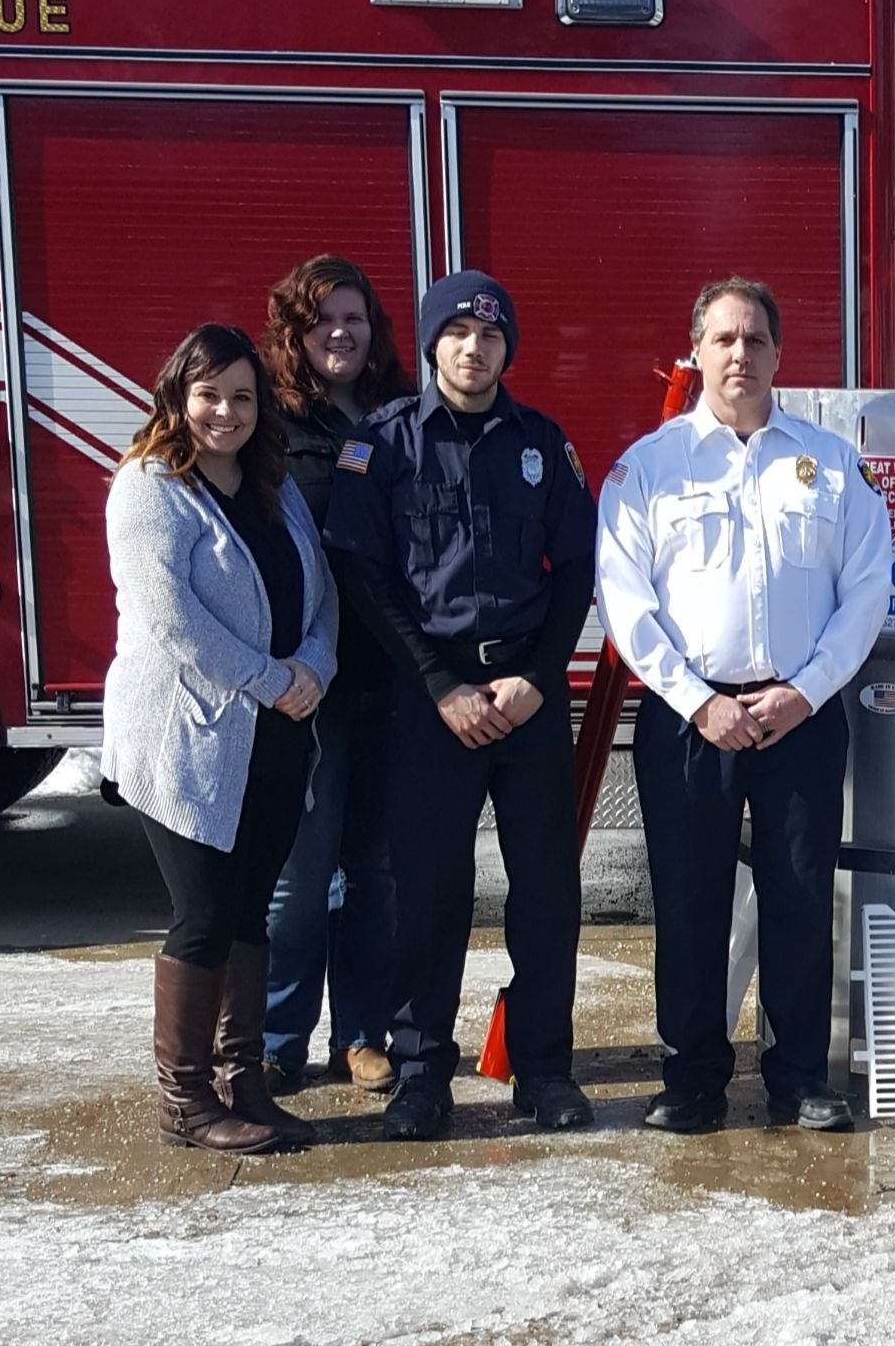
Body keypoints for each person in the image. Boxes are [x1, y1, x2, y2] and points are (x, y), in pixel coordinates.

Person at [596, 277, 890, 1135]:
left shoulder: (829, 463)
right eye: (722, 339)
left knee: (801, 898)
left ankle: (799, 1076)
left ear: (778, 355)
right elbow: (623, 600)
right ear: (696, 353)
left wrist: (805, 691)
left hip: (800, 714)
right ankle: (691, 1079)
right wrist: (696, 702)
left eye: (755, 339)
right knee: (689, 905)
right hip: (690, 721)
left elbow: (866, 589)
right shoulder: (649, 468)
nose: (739, 354)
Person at [323, 271, 598, 1141]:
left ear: (506, 347)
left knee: (546, 892)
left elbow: (576, 572)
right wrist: (439, 686)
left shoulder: (542, 445)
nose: (473, 349)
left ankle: (545, 1070)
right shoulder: (382, 445)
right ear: (433, 343)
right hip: (429, 706)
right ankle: (420, 1074)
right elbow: (363, 577)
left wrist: (539, 678)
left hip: (525, 701)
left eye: (490, 336)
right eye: (457, 335)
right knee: (429, 894)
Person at [102, 324, 338, 1155]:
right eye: (209, 395)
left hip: (273, 738)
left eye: (242, 396)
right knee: (201, 914)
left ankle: (245, 1084)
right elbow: (173, 621)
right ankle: (185, 1104)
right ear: (178, 397)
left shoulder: (273, 487)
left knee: (247, 913)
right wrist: (276, 682)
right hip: (186, 738)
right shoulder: (149, 487)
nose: (226, 413)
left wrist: (313, 663)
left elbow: (320, 595)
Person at [256, 256, 409, 1096]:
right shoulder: (273, 424)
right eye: (323, 321)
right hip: (307, 688)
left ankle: (362, 1037)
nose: (340, 333)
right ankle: (281, 1038)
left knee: (374, 871)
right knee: (302, 876)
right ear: (295, 333)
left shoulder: (396, 419)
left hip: (385, 686)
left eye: (354, 318)